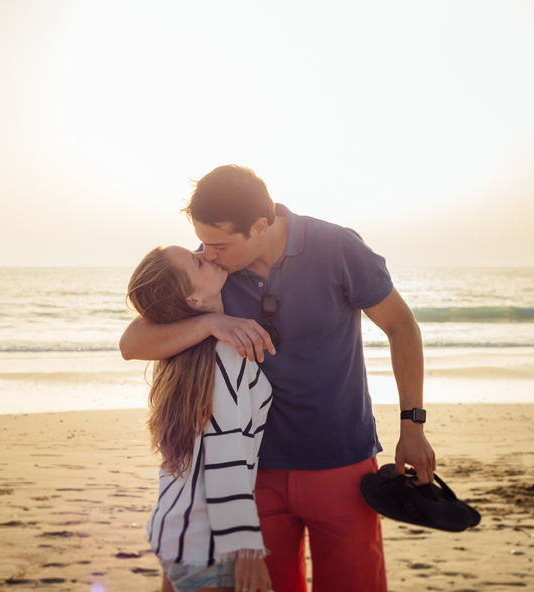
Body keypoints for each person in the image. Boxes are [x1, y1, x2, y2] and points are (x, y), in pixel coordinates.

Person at [121, 165, 436, 592]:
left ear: (260, 226)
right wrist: (211, 325)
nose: (208, 253)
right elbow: (133, 341)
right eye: (204, 243)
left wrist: (412, 425)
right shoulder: (212, 267)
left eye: (218, 244)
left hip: (340, 460)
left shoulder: (338, 247)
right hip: (255, 476)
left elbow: (403, 328)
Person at [127, 245, 275, 592]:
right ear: (193, 301)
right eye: (196, 262)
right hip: (211, 550)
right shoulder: (225, 352)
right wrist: (246, 550)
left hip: (173, 534)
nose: (206, 255)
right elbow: (227, 454)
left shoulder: (180, 353)